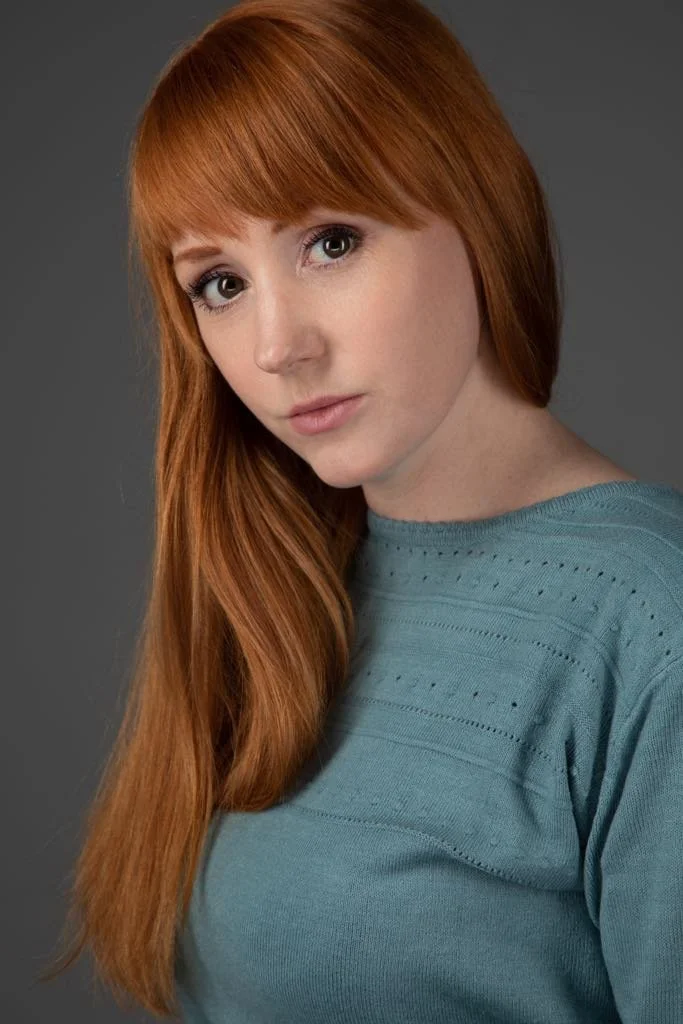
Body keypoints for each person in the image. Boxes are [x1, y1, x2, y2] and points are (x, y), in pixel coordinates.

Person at [41, 0, 683, 1021]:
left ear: (473, 198)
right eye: (219, 283)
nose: (276, 347)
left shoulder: (650, 618)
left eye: (331, 241)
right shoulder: (285, 577)